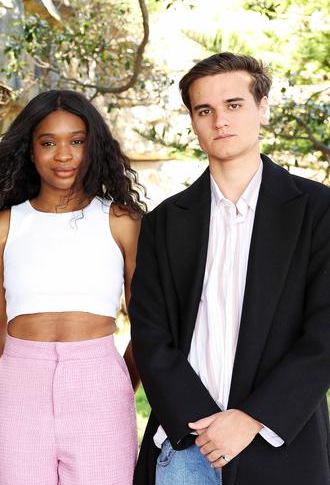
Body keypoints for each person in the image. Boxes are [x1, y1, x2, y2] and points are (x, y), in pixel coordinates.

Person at [131, 52, 330, 485]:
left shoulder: (318, 210)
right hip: (186, 447)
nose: (220, 120)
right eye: (206, 110)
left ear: (262, 108)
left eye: (234, 105)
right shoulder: (164, 221)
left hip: (280, 444)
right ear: (193, 121)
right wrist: (203, 422)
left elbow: (324, 333)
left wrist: (252, 418)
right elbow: (150, 333)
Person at [0, 89, 144, 485]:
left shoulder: (120, 221)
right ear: (30, 151)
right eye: (48, 142)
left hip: (100, 380)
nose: (63, 155)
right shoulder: (3, 226)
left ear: (93, 147)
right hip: (20, 385)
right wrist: (22, 372)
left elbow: (145, 321)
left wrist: (119, 381)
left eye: (77, 141)